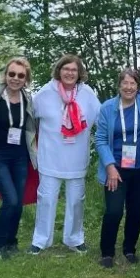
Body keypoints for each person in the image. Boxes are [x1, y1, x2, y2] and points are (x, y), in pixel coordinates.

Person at [30, 54, 101, 255]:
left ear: (79, 73)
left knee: (76, 200)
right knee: (46, 199)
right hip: (50, 156)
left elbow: (102, 118)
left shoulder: (87, 93)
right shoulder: (45, 92)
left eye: (74, 70)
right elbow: (29, 118)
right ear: (59, 71)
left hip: (77, 158)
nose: (70, 73)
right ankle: (41, 240)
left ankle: (74, 238)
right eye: (66, 69)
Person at [95, 69, 140, 268]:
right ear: (119, 85)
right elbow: (101, 139)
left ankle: (129, 248)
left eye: (133, 83)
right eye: (125, 83)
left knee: (135, 211)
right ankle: (107, 252)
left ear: (138, 86)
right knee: (113, 211)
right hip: (116, 168)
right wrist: (110, 167)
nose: (129, 87)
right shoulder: (108, 108)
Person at [0, 57, 37, 260]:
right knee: (10, 200)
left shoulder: (28, 99)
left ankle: (11, 242)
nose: (15, 78)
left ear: (26, 79)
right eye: (12, 74)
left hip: (21, 157)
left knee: (18, 202)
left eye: (21, 75)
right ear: (5, 75)